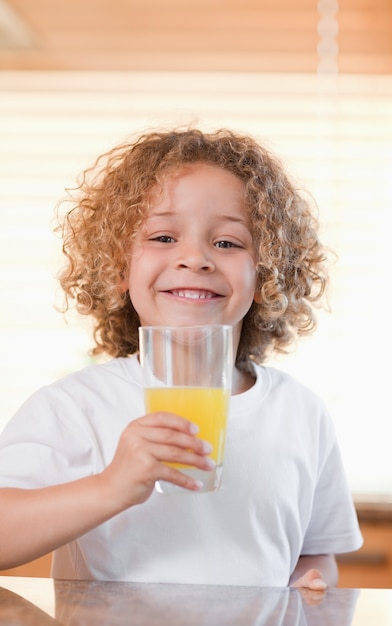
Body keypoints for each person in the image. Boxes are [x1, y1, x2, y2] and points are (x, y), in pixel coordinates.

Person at [0, 127, 362, 589]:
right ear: (118, 267)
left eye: (228, 243)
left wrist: (308, 589)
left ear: (267, 273)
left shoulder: (301, 413)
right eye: (164, 237)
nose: (195, 258)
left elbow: (316, 555)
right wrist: (110, 487)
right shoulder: (75, 407)